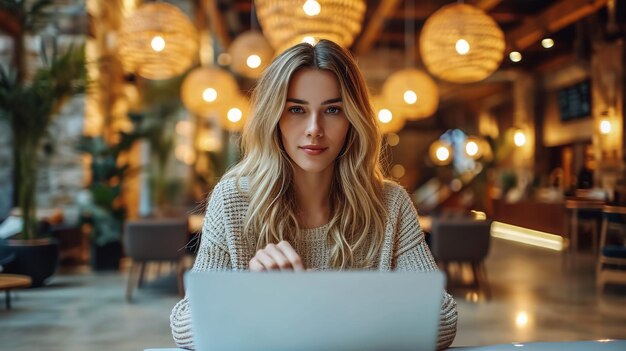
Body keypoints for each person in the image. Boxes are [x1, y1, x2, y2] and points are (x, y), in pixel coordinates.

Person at [170, 39, 457, 350]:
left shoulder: (390, 205)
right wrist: (250, 293)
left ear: (353, 119)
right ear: (274, 117)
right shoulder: (233, 200)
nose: (314, 128)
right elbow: (185, 324)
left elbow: (442, 320)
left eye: (333, 109)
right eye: (296, 109)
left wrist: (317, 300)